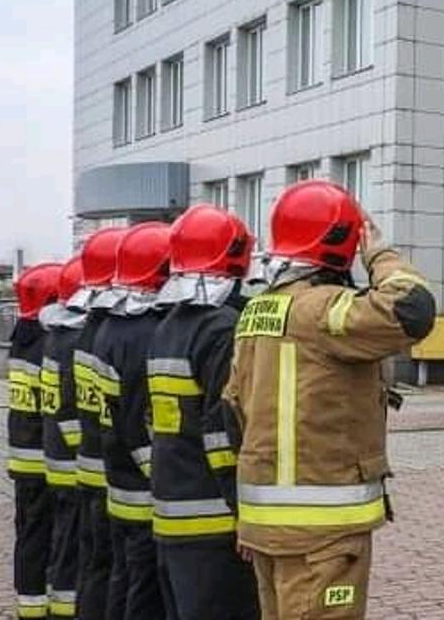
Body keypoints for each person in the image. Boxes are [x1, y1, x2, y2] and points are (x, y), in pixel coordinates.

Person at [226, 180, 436, 619]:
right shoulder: (323, 310)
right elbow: (413, 309)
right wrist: (380, 253)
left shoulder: (257, 312)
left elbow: (234, 413)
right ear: (343, 241)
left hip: (268, 529)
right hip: (322, 536)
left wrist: (246, 518)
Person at [149, 205, 259, 620]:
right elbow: (220, 435)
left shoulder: (168, 325)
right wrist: (244, 511)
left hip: (171, 511)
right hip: (212, 521)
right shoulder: (222, 329)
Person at [100, 222, 174, 620]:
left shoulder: (111, 326)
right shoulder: (148, 332)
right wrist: (161, 473)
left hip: (116, 479)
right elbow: (135, 418)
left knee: (123, 578)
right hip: (144, 487)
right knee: (145, 592)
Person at [72, 226, 128, 620]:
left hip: (92, 465)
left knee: (98, 564)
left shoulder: (89, 329)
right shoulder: (119, 332)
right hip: (118, 474)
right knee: (116, 570)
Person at [10, 262, 63, 619]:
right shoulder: (47, 344)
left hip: (22, 458)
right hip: (45, 458)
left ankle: (29, 604)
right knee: (52, 537)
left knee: (29, 533)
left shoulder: (21, 338)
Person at [41, 258, 88, 618]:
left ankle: (60, 606)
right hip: (75, 464)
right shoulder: (73, 341)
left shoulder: (55, 337)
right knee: (74, 544)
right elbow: (73, 415)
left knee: (64, 540)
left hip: (58, 458)